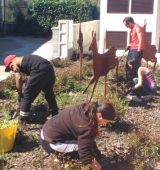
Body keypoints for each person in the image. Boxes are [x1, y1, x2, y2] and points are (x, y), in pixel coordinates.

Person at [40, 102, 116, 170]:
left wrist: (96, 153)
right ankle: (66, 163)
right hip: (50, 143)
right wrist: (98, 168)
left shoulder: (85, 107)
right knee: (82, 150)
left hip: (46, 130)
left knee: (89, 145)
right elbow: (85, 153)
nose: (105, 124)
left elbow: (88, 140)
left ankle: (64, 155)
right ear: (99, 116)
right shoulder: (88, 127)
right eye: (106, 121)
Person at [4, 54, 58, 124]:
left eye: (10, 68)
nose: (11, 70)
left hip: (39, 70)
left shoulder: (14, 63)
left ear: (10, 63)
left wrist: (20, 93)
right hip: (49, 68)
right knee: (49, 93)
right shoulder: (24, 58)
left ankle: (23, 120)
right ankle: (55, 114)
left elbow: (19, 78)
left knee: (27, 96)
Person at [123, 16, 146, 81]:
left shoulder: (137, 28)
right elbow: (134, 40)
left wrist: (138, 52)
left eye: (126, 25)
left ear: (129, 23)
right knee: (128, 64)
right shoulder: (132, 29)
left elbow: (140, 40)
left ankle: (136, 82)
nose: (126, 27)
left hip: (136, 49)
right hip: (132, 49)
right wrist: (129, 45)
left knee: (135, 66)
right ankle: (129, 80)